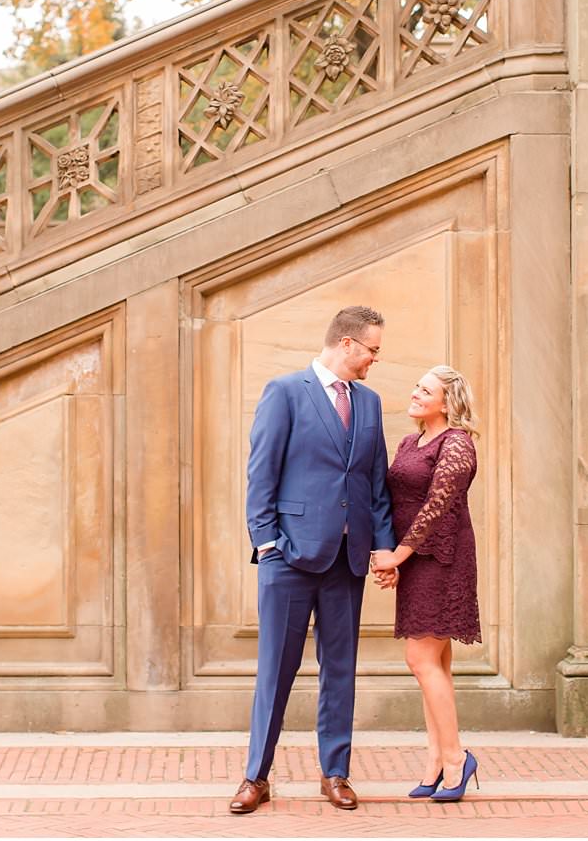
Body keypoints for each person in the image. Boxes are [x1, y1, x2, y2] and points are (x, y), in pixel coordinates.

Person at [231, 305, 400, 815]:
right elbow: (261, 474)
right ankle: (256, 777)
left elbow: (376, 486)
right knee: (275, 671)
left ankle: (336, 772)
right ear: (346, 344)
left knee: (340, 671)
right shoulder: (284, 392)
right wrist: (267, 543)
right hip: (289, 558)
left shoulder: (368, 404)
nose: (374, 360)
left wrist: (383, 547)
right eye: (371, 350)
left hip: (346, 562)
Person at [370, 365, 482, 802]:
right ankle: (436, 760)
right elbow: (395, 500)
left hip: (443, 560)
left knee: (420, 658)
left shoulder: (457, 443)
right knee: (436, 663)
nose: (415, 393)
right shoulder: (408, 441)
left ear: (447, 401)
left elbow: (438, 505)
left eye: (426, 390)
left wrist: (398, 554)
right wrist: (395, 557)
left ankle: (456, 759)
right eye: (416, 385)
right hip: (416, 561)